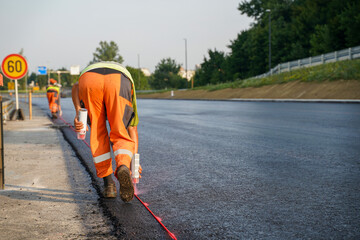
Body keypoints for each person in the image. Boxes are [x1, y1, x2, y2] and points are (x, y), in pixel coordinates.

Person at [71, 61, 141, 202]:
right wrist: (133, 160)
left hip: (89, 78)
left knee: (98, 132)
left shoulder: (89, 70)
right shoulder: (129, 83)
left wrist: (79, 112)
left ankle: (109, 185)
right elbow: (132, 128)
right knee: (121, 131)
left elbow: (75, 87)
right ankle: (123, 166)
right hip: (119, 80)